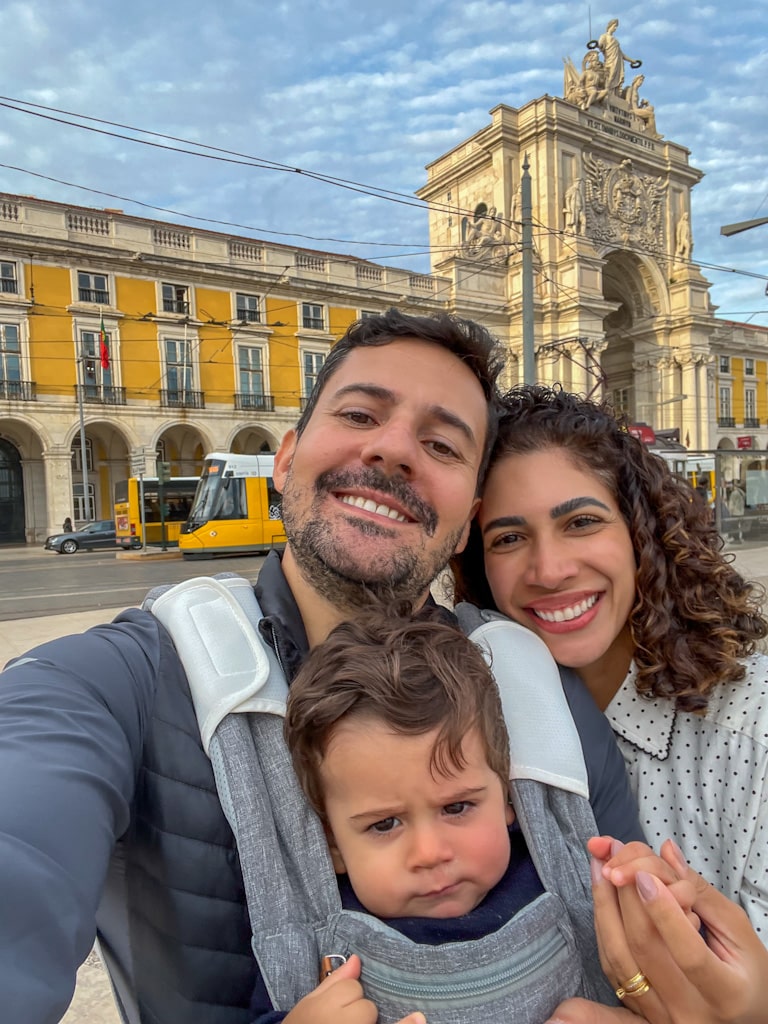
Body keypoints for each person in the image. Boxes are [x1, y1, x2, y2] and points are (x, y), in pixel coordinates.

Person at [0, 313, 640, 1024]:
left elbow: (638, 932)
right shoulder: (117, 683)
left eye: (441, 444)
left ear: (466, 523)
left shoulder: (538, 686)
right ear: (286, 458)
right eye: (361, 413)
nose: (394, 449)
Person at [452, 383, 768, 1018]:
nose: (549, 569)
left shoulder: (750, 719)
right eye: (509, 538)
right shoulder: (471, 721)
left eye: (581, 522)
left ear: (641, 533)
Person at [275, 607, 675, 1024]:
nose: (430, 853)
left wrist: (661, 912)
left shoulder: (569, 881)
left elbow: (676, 971)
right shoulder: (316, 931)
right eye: (384, 824)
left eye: (456, 807)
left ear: (506, 799)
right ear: (334, 845)